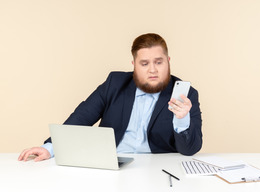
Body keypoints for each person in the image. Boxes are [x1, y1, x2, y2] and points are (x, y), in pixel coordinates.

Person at [18, 33, 202, 162]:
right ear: (134, 65)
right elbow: (81, 118)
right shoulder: (114, 83)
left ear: (168, 61)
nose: (152, 70)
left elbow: (190, 150)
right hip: (112, 164)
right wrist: (49, 148)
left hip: (158, 168)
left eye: (158, 62)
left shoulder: (186, 95)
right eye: (144, 63)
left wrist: (182, 119)